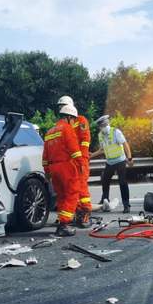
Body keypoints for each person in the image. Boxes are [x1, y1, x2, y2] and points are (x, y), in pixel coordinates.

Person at [42, 104, 83, 236]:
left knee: (61, 196)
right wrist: (81, 165)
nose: (74, 123)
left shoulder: (49, 132)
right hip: (66, 166)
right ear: (69, 117)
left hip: (53, 168)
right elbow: (75, 151)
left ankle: (62, 221)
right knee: (72, 193)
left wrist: (47, 172)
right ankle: (64, 225)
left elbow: (45, 156)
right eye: (73, 120)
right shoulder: (67, 129)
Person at [57, 95, 92, 228]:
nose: (61, 109)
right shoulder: (64, 124)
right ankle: (75, 213)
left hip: (79, 158)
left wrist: (82, 159)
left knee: (81, 186)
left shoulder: (80, 120)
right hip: (70, 161)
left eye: (63, 106)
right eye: (60, 107)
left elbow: (85, 140)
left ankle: (85, 213)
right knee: (71, 189)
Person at [91, 115, 133, 213]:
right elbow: (102, 149)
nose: (101, 128)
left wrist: (129, 158)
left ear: (106, 124)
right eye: (100, 126)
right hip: (110, 162)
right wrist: (91, 155)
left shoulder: (115, 132)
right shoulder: (100, 135)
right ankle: (105, 201)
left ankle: (126, 205)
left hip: (120, 160)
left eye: (103, 126)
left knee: (122, 182)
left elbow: (125, 144)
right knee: (105, 180)